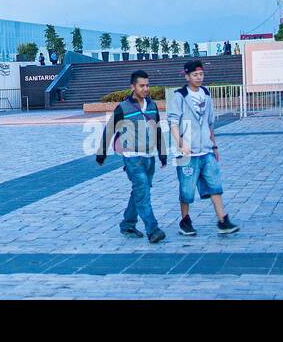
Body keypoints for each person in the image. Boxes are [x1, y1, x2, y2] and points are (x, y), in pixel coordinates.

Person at [167, 59, 240, 236]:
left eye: (201, 74)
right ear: (187, 76)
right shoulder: (179, 96)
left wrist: (214, 146)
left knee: (215, 185)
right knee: (186, 190)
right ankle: (185, 221)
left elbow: (210, 123)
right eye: (195, 75)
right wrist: (181, 144)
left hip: (206, 150)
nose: (199, 77)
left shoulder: (206, 94)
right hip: (185, 152)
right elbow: (173, 122)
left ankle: (223, 220)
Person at [96, 69, 169, 243]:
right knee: (142, 190)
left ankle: (128, 224)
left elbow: (157, 130)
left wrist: (162, 153)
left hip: (149, 156)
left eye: (147, 85)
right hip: (132, 157)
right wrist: (101, 153)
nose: (146, 89)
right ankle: (153, 229)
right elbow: (109, 129)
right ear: (133, 86)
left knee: (140, 191)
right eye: (142, 86)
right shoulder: (123, 108)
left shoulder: (151, 106)